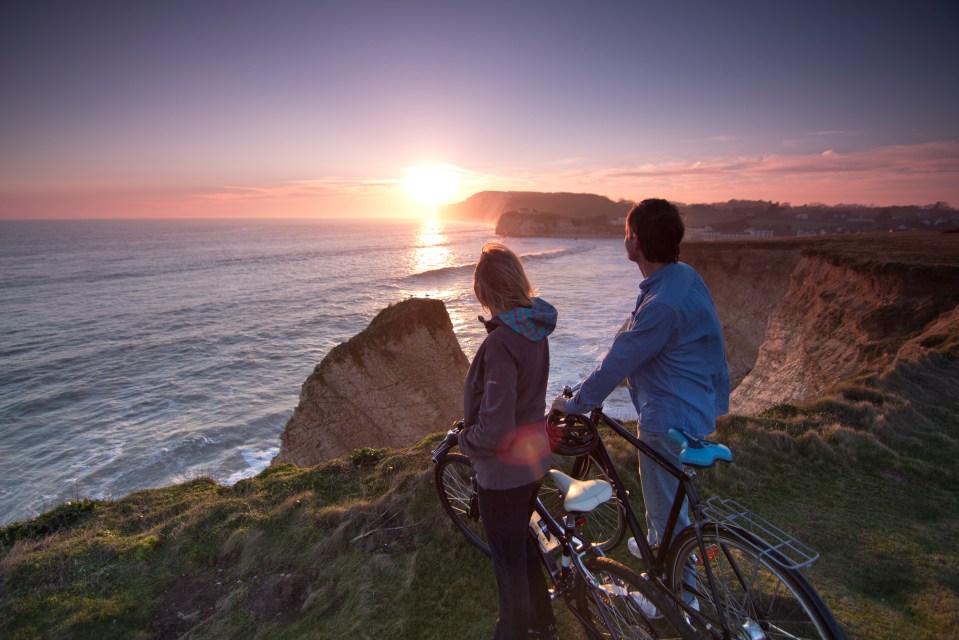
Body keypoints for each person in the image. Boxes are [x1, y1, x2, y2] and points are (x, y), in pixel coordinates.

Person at [551, 197, 730, 553]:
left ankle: (673, 596)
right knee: (668, 510)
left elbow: (621, 358)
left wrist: (576, 403)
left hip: (668, 419)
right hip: (695, 403)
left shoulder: (661, 304)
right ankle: (666, 550)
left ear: (635, 241)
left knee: (667, 523)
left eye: (625, 232)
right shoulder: (683, 277)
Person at [455, 242, 558, 640]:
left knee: (507, 564)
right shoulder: (535, 328)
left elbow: (495, 428)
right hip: (532, 458)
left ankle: (512, 632)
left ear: (487, 291)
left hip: (503, 473)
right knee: (524, 546)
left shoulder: (501, 343)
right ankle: (544, 625)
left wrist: (468, 441)